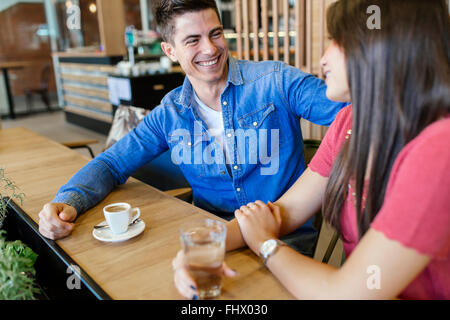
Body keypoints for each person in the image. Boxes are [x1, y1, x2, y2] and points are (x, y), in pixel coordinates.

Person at [173, 0, 450, 299]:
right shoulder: (350, 121)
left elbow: (347, 293)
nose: (324, 57)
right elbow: (285, 211)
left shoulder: (439, 148)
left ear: (381, 48)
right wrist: (197, 250)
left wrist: (266, 245)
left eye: (337, 41)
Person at [37, 0, 346, 258]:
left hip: (281, 242)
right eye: (193, 40)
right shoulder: (170, 114)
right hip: (210, 241)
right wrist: (68, 200)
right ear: (170, 50)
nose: (210, 49)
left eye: (216, 34)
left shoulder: (277, 81)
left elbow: (356, 112)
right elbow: (112, 162)